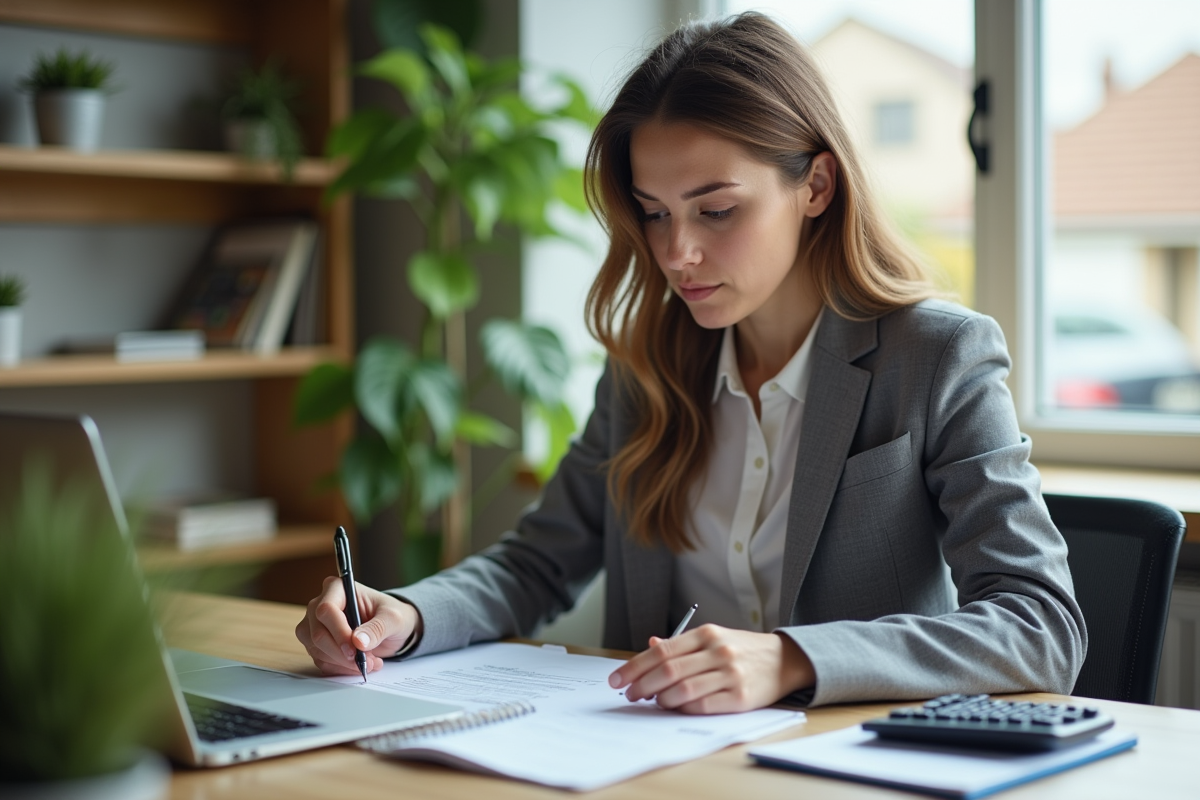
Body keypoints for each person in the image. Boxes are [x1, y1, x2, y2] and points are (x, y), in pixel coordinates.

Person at [296, 12, 1086, 712]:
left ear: (815, 184)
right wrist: (407, 615)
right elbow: (536, 565)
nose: (677, 252)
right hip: (655, 764)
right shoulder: (647, 362)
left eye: (717, 210)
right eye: (654, 213)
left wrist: (790, 658)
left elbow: (1040, 624)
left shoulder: (936, 355)